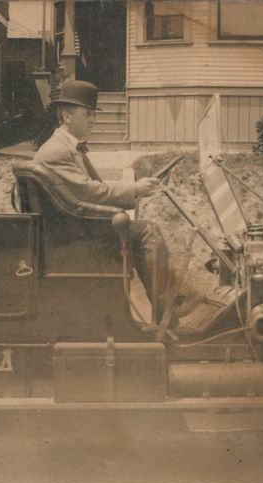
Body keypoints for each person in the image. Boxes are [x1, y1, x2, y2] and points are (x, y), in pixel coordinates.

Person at [34, 80, 175, 321]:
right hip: (75, 234)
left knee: (144, 229)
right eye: (87, 114)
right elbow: (89, 192)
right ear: (67, 115)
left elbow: (91, 190)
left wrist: (135, 191)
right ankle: (168, 315)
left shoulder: (69, 148)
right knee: (148, 232)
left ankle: (167, 308)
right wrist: (134, 189)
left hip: (75, 226)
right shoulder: (56, 151)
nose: (92, 120)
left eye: (93, 114)